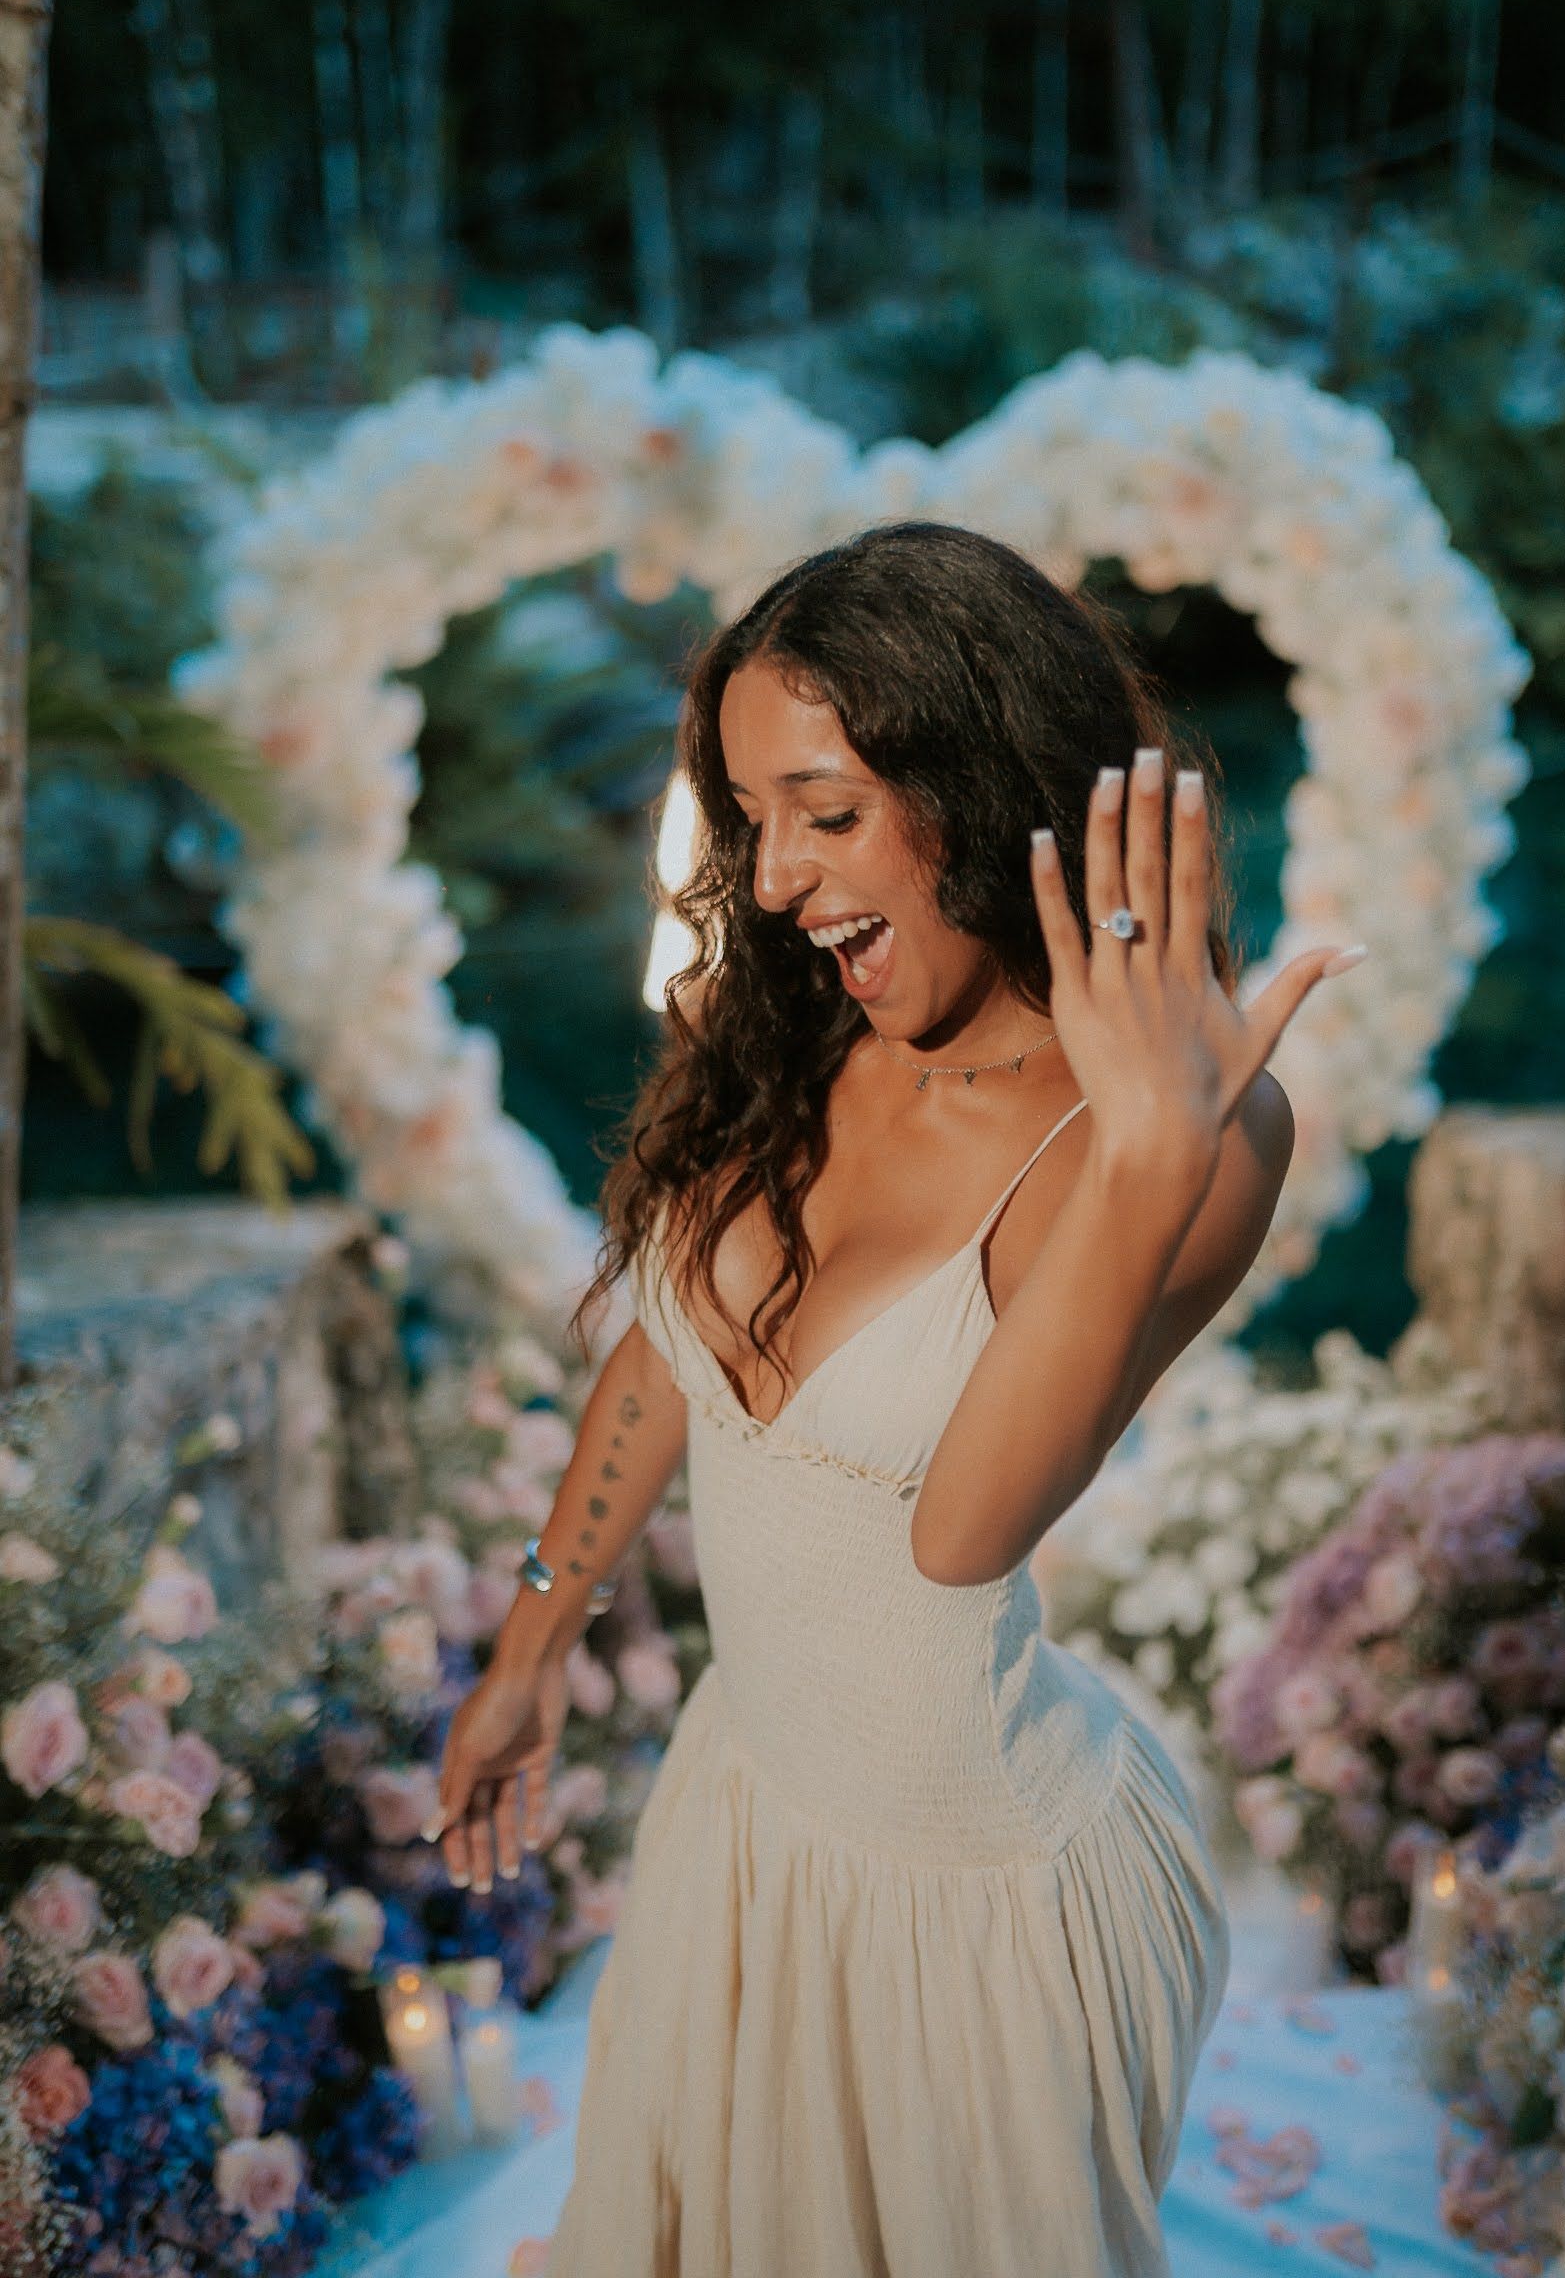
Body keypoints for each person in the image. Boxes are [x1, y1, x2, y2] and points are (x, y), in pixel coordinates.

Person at [428, 521, 1366, 2277]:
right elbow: (669, 1350)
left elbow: (964, 1530)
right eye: (750, 814)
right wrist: (532, 1643)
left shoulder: (1183, 1130)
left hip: (981, 1915)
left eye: (825, 812)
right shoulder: (793, 1034)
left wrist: (1150, 1163)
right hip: (748, 1807)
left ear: (986, 779)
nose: (772, 879)